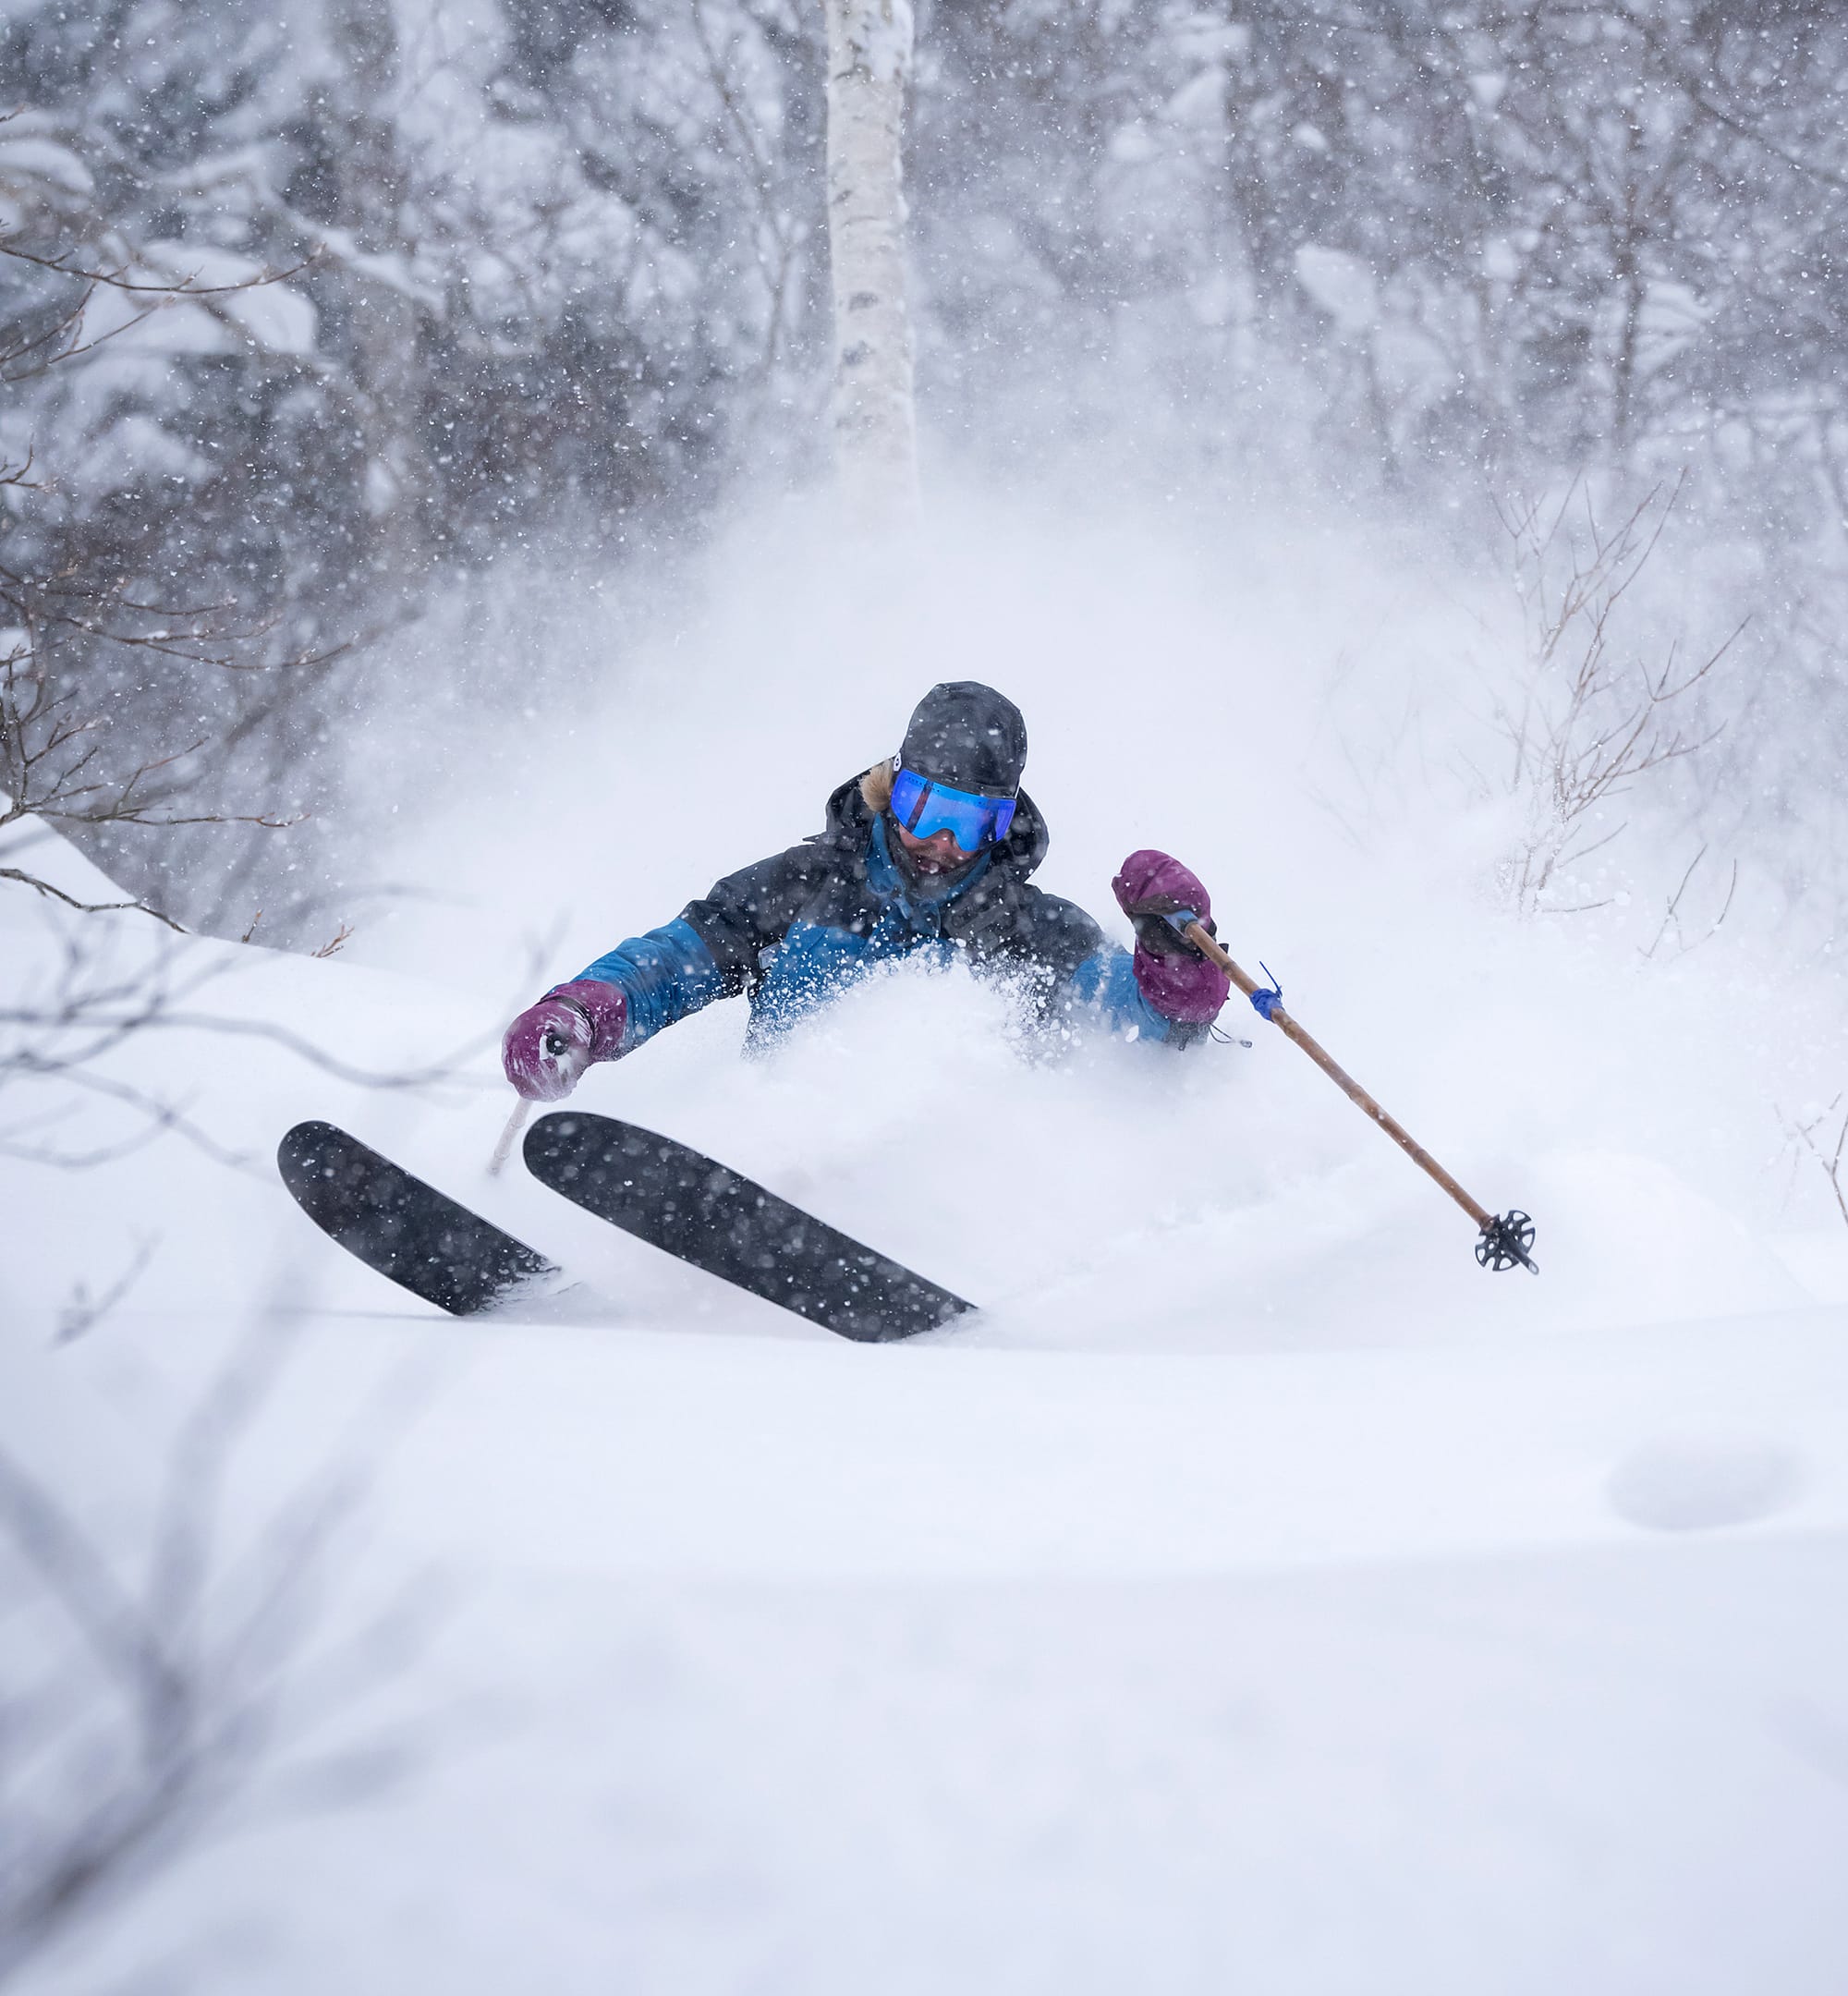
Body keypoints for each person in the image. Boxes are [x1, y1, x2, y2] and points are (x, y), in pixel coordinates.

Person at [502, 681, 1232, 1101]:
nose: (941, 841)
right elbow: (677, 959)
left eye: (970, 822)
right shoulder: (808, 884)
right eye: (926, 807)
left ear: (1001, 824)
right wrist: (587, 1011)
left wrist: (1176, 962)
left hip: (957, 1180)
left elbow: (1149, 1033)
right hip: (780, 1145)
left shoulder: (1032, 929)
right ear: (892, 789)